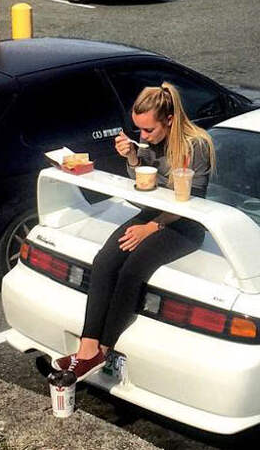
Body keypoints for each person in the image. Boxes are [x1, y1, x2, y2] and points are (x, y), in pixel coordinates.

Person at [53, 82, 216, 381]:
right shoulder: (149, 143)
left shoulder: (196, 146)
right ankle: (86, 347)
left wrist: (151, 228)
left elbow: (192, 203)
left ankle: (104, 346)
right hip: (152, 213)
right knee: (105, 261)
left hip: (185, 224)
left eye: (149, 130)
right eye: (139, 130)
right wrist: (130, 157)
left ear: (169, 120)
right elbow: (143, 186)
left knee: (131, 270)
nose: (143, 136)